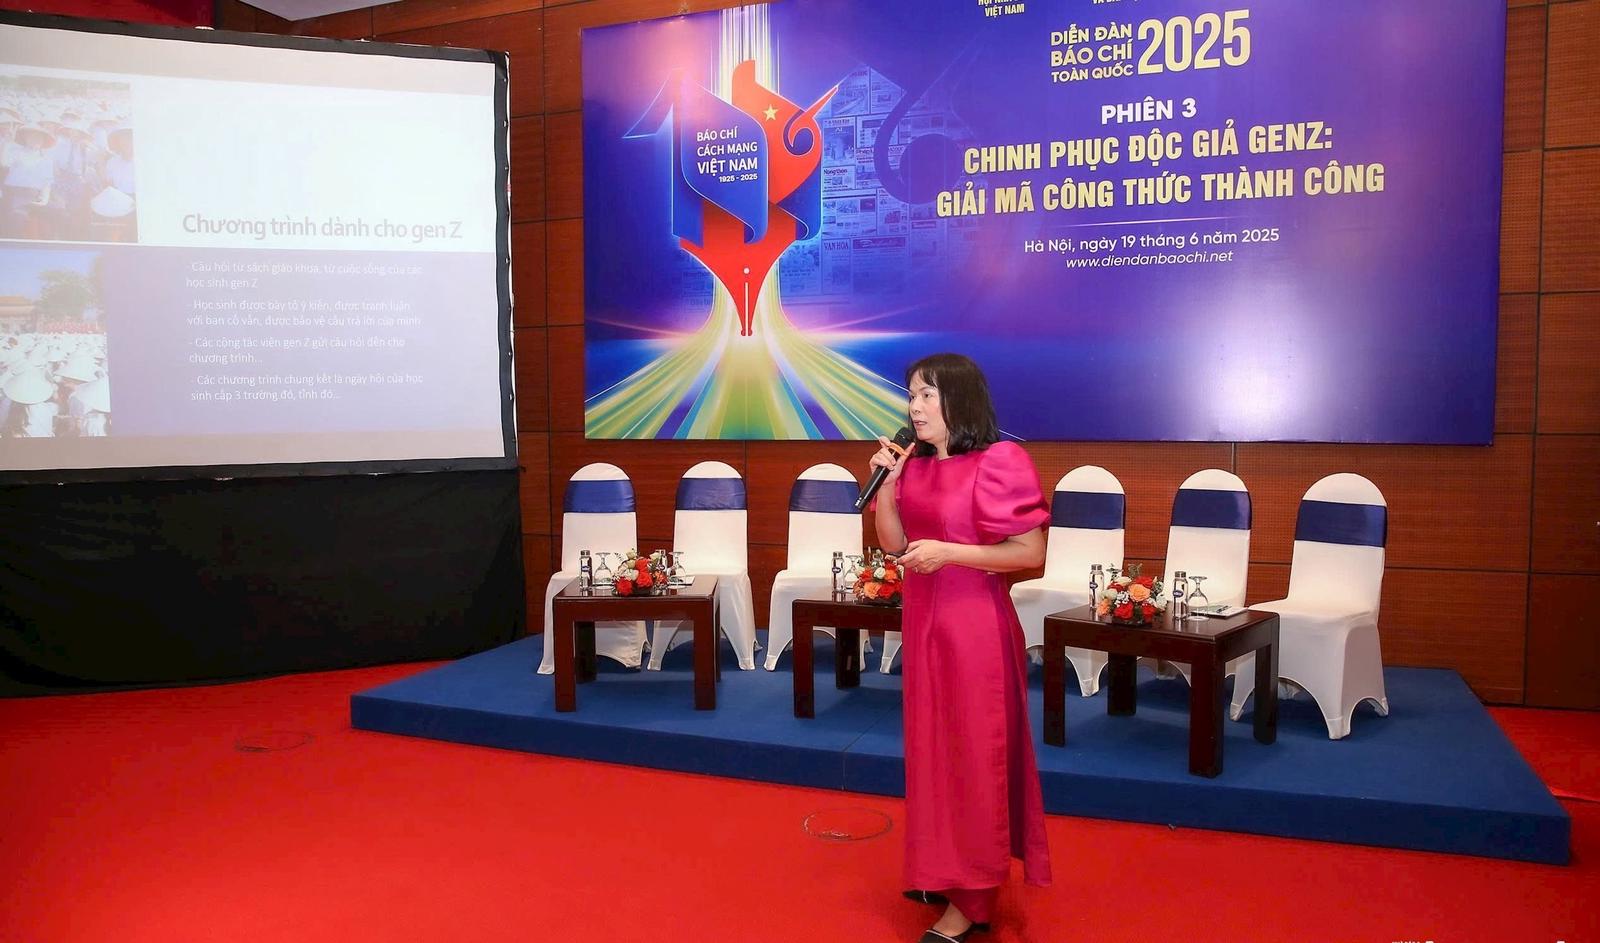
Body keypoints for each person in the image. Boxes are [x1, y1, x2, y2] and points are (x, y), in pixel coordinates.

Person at [868, 353, 1051, 943]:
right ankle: (940, 868)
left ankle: (973, 899)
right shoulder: (915, 466)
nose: (915, 407)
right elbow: (895, 545)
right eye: (911, 395)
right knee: (933, 753)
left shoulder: (1000, 460)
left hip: (974, 630)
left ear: (960, 399)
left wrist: (950, 552)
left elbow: (1029, 552)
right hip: (925, 624)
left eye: (927, 394)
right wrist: (889, 487)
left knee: (974, 756)